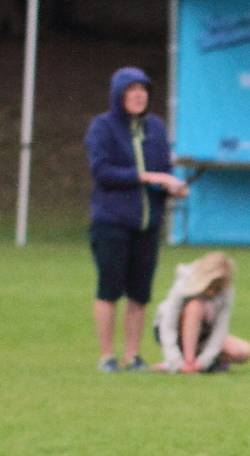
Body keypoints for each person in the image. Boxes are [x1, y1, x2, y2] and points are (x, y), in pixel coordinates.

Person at [85, 66, 187, 372]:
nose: (138, 96)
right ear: (118, 95)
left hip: (148, 224)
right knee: (109, 288)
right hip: (111, 222)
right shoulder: (102, 127)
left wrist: (170, 188)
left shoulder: (154, 128)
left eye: (143, 90)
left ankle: (132, 355)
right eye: (131, 90)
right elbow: (102, 172)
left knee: (140, 292)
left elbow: (160, 171)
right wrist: (147, 176)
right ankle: (106, 356)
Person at [151, 251, 250, 374]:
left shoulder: (227, 290)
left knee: (243, 352)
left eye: (217, 289)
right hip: (171, 330)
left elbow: (219, 329)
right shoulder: (185, 280)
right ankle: (187, 361)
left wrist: (204, 361)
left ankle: (196, 363)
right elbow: (168, 324)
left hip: (203, 332)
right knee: (195, 306)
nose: (211, 293)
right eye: (210, 286)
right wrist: (174, 359)